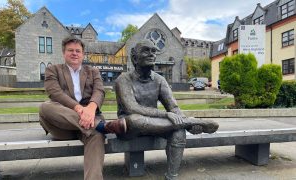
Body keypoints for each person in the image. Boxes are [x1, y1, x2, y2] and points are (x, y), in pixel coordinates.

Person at [115, 40, 219, 180]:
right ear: (134, 58)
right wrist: (172, 117)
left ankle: (171, 176)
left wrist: (181, 121)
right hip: (129, 128)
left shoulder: (160, 80)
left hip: (154, 126)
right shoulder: (123, 79)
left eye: (154, 51)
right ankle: (188, 122)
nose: (151, 54)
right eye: (146, 50)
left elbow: (173, 108)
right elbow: (131, 108)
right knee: (135, 119)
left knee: (178, 131)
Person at [39, 36, 126, 180]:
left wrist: (91, 109)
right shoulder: (52, 70)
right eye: (70, 50)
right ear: (63, 53)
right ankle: (102, 126)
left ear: (83, 54)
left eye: (78, 51)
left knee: (96, 137)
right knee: (45, 107)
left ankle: (97, 129)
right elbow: (55, 93)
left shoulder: (93, 71)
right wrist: (79, 109)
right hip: (62, 126)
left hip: (88, 126)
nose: (74, 53)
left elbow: (99, 91)